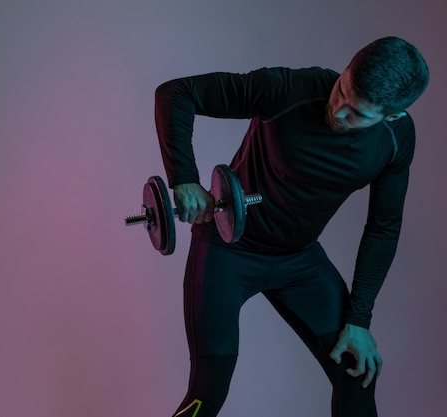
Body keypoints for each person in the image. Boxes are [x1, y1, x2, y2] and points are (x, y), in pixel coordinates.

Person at [154, 36, 429, 417]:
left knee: (357, 371)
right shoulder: (290, 89)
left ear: (391, 115)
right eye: (341, 90)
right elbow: (177, 93)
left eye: (357, 114)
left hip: (299, 261)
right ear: (346, 68)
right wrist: (183, 177)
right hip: (227, 250)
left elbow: (383, 228)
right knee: (209, 387)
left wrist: (359, 320)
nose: (338, 110)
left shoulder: (396, 139)